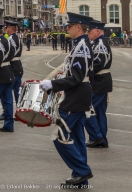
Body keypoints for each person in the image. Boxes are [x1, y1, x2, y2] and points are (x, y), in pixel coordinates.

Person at [39, 12, 94, 188]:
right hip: (77, 94)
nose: (66, 29)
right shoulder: (78, 44)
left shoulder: (82, 47)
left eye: (69, 26)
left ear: (79, 27)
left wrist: (53, 84)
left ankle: (82, 170)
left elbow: (77, 78)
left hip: (76, 96)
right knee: (77, 137)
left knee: (59, 135)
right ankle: (80, 179)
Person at [85, 19, 113, 148]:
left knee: (86, 109)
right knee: (99, 112)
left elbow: (96, 64)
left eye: (89, 31)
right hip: (101, 81)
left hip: (99, 81)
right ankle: (102, 139)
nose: (88, 33)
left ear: (97, 31)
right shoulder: (98, 43)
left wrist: (82, 73)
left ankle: (97, 137)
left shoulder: (100, 44)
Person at [0, 20, 23, 122]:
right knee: (16, 92)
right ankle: (19, 112)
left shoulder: (11, 39)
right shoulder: (16, 37)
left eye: (6, 28)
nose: (5, 30)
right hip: (17, 66)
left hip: (12, 66)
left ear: (9, 29)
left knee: (6, 94)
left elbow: (9, 53)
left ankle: (6, 113)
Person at [0, 24, 15, 132]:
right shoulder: (8, 40)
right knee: (8, 101)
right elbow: (12, 55)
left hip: (0, 75)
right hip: (8, 72)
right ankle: (9, 125)